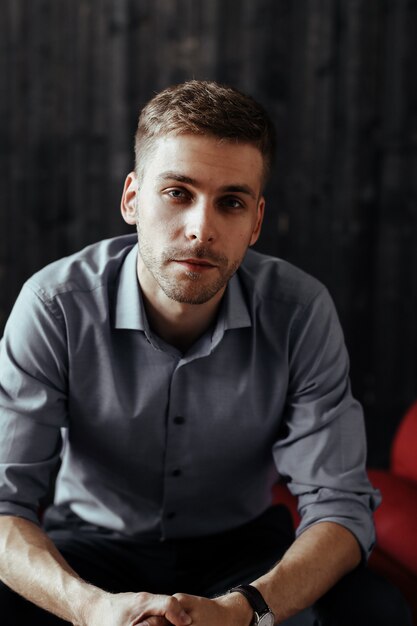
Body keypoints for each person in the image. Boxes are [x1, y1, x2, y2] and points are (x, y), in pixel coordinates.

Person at [0, 80, 411, 626]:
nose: (201, 230)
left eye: (231, 203)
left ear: (256, 222)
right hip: (91, 548)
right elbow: (4, 502)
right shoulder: (54, 305)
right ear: (132, 199)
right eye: (177, 193)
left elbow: (339, 505)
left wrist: (247, 610)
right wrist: (88, 606)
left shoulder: (300, 310)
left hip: (242, 551)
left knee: (377, 613)